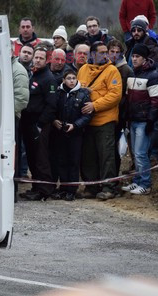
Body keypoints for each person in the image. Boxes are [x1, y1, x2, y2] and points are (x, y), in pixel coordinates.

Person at [77, 41, 122, 200]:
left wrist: (94, 105)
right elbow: (77, 90)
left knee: (106, 155)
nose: (106, 55)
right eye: (101, 52)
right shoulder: (82, 69)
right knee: (88, 156)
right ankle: (91, 187)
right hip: (86, 121)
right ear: (93, 54)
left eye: (106, 52)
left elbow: (115, 96)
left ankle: (109, 187)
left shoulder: (112, 71)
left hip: (105, 120)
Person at [123, 43, 158, 195]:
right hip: (133, 120)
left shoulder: (154, 76)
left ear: (145, 58)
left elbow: (157, 102)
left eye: (137, 56)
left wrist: (150, 121)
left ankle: (145, 183)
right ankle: (137, 181)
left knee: (141, 153)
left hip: (144, 121)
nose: (134, 59)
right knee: (135, 153)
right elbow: (128, 99)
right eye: (133, 56)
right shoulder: (132, 74)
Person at [19, 47, 58, 201]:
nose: (37, 60)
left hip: (39, 124)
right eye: (36, 57)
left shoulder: (49, 78)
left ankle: (45, 189)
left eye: (41, 58)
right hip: (28, 123)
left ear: (47, 60)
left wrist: (40, 125)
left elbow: (51, 105)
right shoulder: (33, 75)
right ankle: (36, 186)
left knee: (41, 158)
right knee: (31, 157)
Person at [51, 69, 92, 201]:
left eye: (73, 78)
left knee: (73, 162)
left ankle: (72, 190)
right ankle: (63, 188)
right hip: (60, 132)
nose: (71, 81)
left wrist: (75, 125)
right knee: (61, 161)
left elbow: (87, 115)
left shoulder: (83, 94)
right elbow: (51, 109)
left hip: (76, 133)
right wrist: (54, 121)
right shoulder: (58, 93)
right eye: (68, 78)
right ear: (63, 80)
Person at [107, 38, 135, 174]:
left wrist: (124, 115)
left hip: (119, 113)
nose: (114, 54)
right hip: (103, 112)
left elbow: (130, 96)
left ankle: (113, 177)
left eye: (117, 52)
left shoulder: (126, 70)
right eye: (111, 51)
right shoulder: (103, 66)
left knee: (114, 147)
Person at [12, 55, 30, 197]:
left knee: (13, 156)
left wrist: (5, 116)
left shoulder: (18, 71)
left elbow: (21, 99)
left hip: (11, 119)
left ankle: (13, 190)